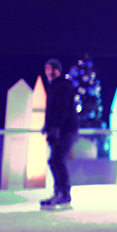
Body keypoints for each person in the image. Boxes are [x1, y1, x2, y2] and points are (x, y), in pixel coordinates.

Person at [40, 58, 78, 210]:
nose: (48, 72)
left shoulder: (62, 86)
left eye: (51, 69)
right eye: (47, 69)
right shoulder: (54, 86)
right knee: (55, 161)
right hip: (59, 129)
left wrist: (55, 127)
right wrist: (48, 126)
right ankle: (59, 192)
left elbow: (61, 109)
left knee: (57, 160)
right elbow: (52, 109)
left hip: (64, 130)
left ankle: (64, 193)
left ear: (58, 70)